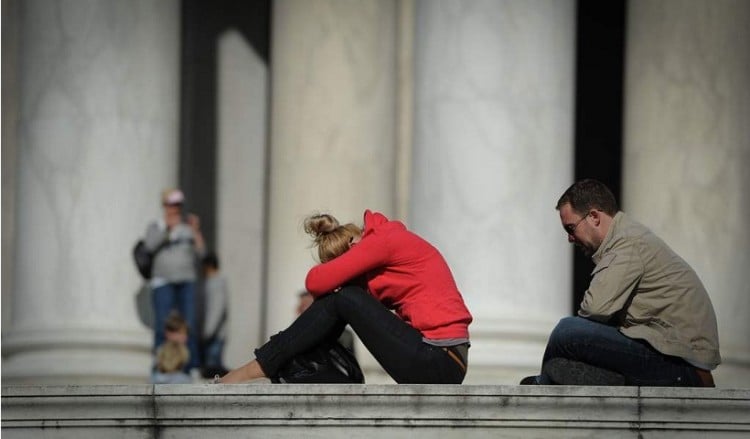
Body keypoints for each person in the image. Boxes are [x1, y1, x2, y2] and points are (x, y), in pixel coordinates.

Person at [219, 209, 473, 384]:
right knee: (341, 299)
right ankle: (277, 365)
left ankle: (258, 367)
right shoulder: (382, 253)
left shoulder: (384, 240)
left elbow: (315, 281)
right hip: (437, 358)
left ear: (352, 247)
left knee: (344, 297)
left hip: (439, 359)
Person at [522, 179, 720, 386]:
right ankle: (548, 381)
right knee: (561, 368)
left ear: (594, 217)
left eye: (570, 228)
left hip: (681, 366)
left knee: (567, 331)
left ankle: (541, 387)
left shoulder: (627, 243)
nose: (570, 238)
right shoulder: (626, 238)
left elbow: (594, 308)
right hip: (669, 356)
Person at [143, 188, 205, 372]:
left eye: (178, 204)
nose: (175, 208)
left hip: (187, 281)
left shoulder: (188, 227)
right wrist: (168, 231)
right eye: (172, 204)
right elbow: (149, 247)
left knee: (189, 324)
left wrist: (196, 231)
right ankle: (160, 365)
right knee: (163, 325)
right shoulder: (156, 226)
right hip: (163, 282)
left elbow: (202, 253)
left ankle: (190, 367)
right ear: (164, 205)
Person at [297, 290, 356, 355]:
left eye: (305, 305)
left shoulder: (344, 335)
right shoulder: (296, 335)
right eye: (301, 306)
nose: (300, 309)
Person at [200, 252, 229, 378]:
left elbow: (217, 309)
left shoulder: (217, 282)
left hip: (215, 335)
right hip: (212, 334)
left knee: (212, 371)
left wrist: (207, 332)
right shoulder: (212, 282)